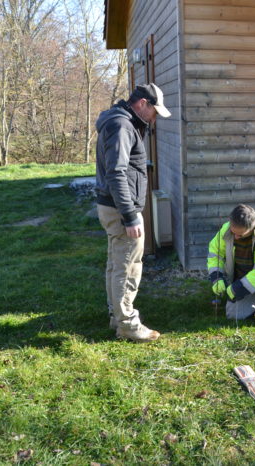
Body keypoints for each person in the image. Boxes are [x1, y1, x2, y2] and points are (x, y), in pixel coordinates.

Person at [95, 83, 171, 342]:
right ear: (142, 104)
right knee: (127, 267)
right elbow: (116, 172)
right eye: (154, 112)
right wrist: (129, 215)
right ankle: (127, 324)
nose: (155, 118)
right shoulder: (122, 126)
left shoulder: (122, 122)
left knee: (116, 264)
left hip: (113, 206)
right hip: (120, 209)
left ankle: (116, 317)